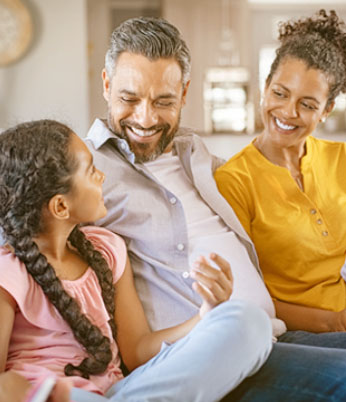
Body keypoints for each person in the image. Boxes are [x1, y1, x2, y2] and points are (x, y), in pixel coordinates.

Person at [86, 15, 346, 400]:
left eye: (164, 101)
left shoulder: (197, 154)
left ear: (185, 94)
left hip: (269, 336)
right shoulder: (85, 169)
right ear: (107, 85)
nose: (145, 118)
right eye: (129, 99)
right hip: (206, 353)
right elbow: (22, 218)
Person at [0, 119, 272, 402]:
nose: (101, 176)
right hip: (53, 396)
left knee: (249, 322)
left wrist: (207, 314)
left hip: (122, 393)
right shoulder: (8, 272)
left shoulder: (106, 250)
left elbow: (138, 350)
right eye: (91, 171)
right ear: (60, 206)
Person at [215, 9, 346, 335]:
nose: (288, 112)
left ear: (327, 110)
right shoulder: (234, 181)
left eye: (308, 104)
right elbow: (243, 295)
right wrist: (334, 322)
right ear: (265, 87)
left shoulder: (340, 158)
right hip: (298, 334)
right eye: (280, 93)